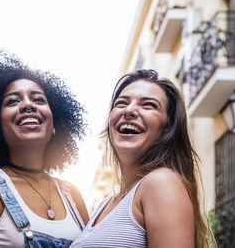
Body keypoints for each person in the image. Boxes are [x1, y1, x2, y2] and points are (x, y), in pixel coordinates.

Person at [0, 55, 89, 248]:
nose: (28, 105)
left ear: (55, 125)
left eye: (38, 99)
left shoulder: (72, 195)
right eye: (12, 101)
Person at [70, 69, 211, 248]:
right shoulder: (105, 204)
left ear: (167, 127)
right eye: (121, 103)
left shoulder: (161, 182)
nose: (129, 110)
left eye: (148, 105)